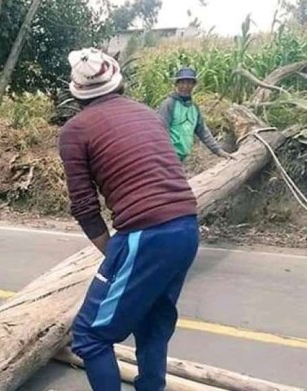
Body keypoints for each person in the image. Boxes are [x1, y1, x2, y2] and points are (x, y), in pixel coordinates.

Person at [58, 48, 200, 391]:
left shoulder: (75, 131)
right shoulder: (147, 113)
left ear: (77, 93)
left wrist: (114, 253)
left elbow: (85, 207)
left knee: (89, 336)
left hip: (145, 232)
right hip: (187, 226)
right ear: (117, 82)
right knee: (152, 324)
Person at [157, 67, 233, 162]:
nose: (185, 86)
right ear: (176, 84)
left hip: (181, 158)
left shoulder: (194, 108)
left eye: (189, 83)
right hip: (167, 157)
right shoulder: (169, 104)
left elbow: (203, 131)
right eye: (182, 83)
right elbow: (159, 130)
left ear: (193, 85)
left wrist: (219, 151)